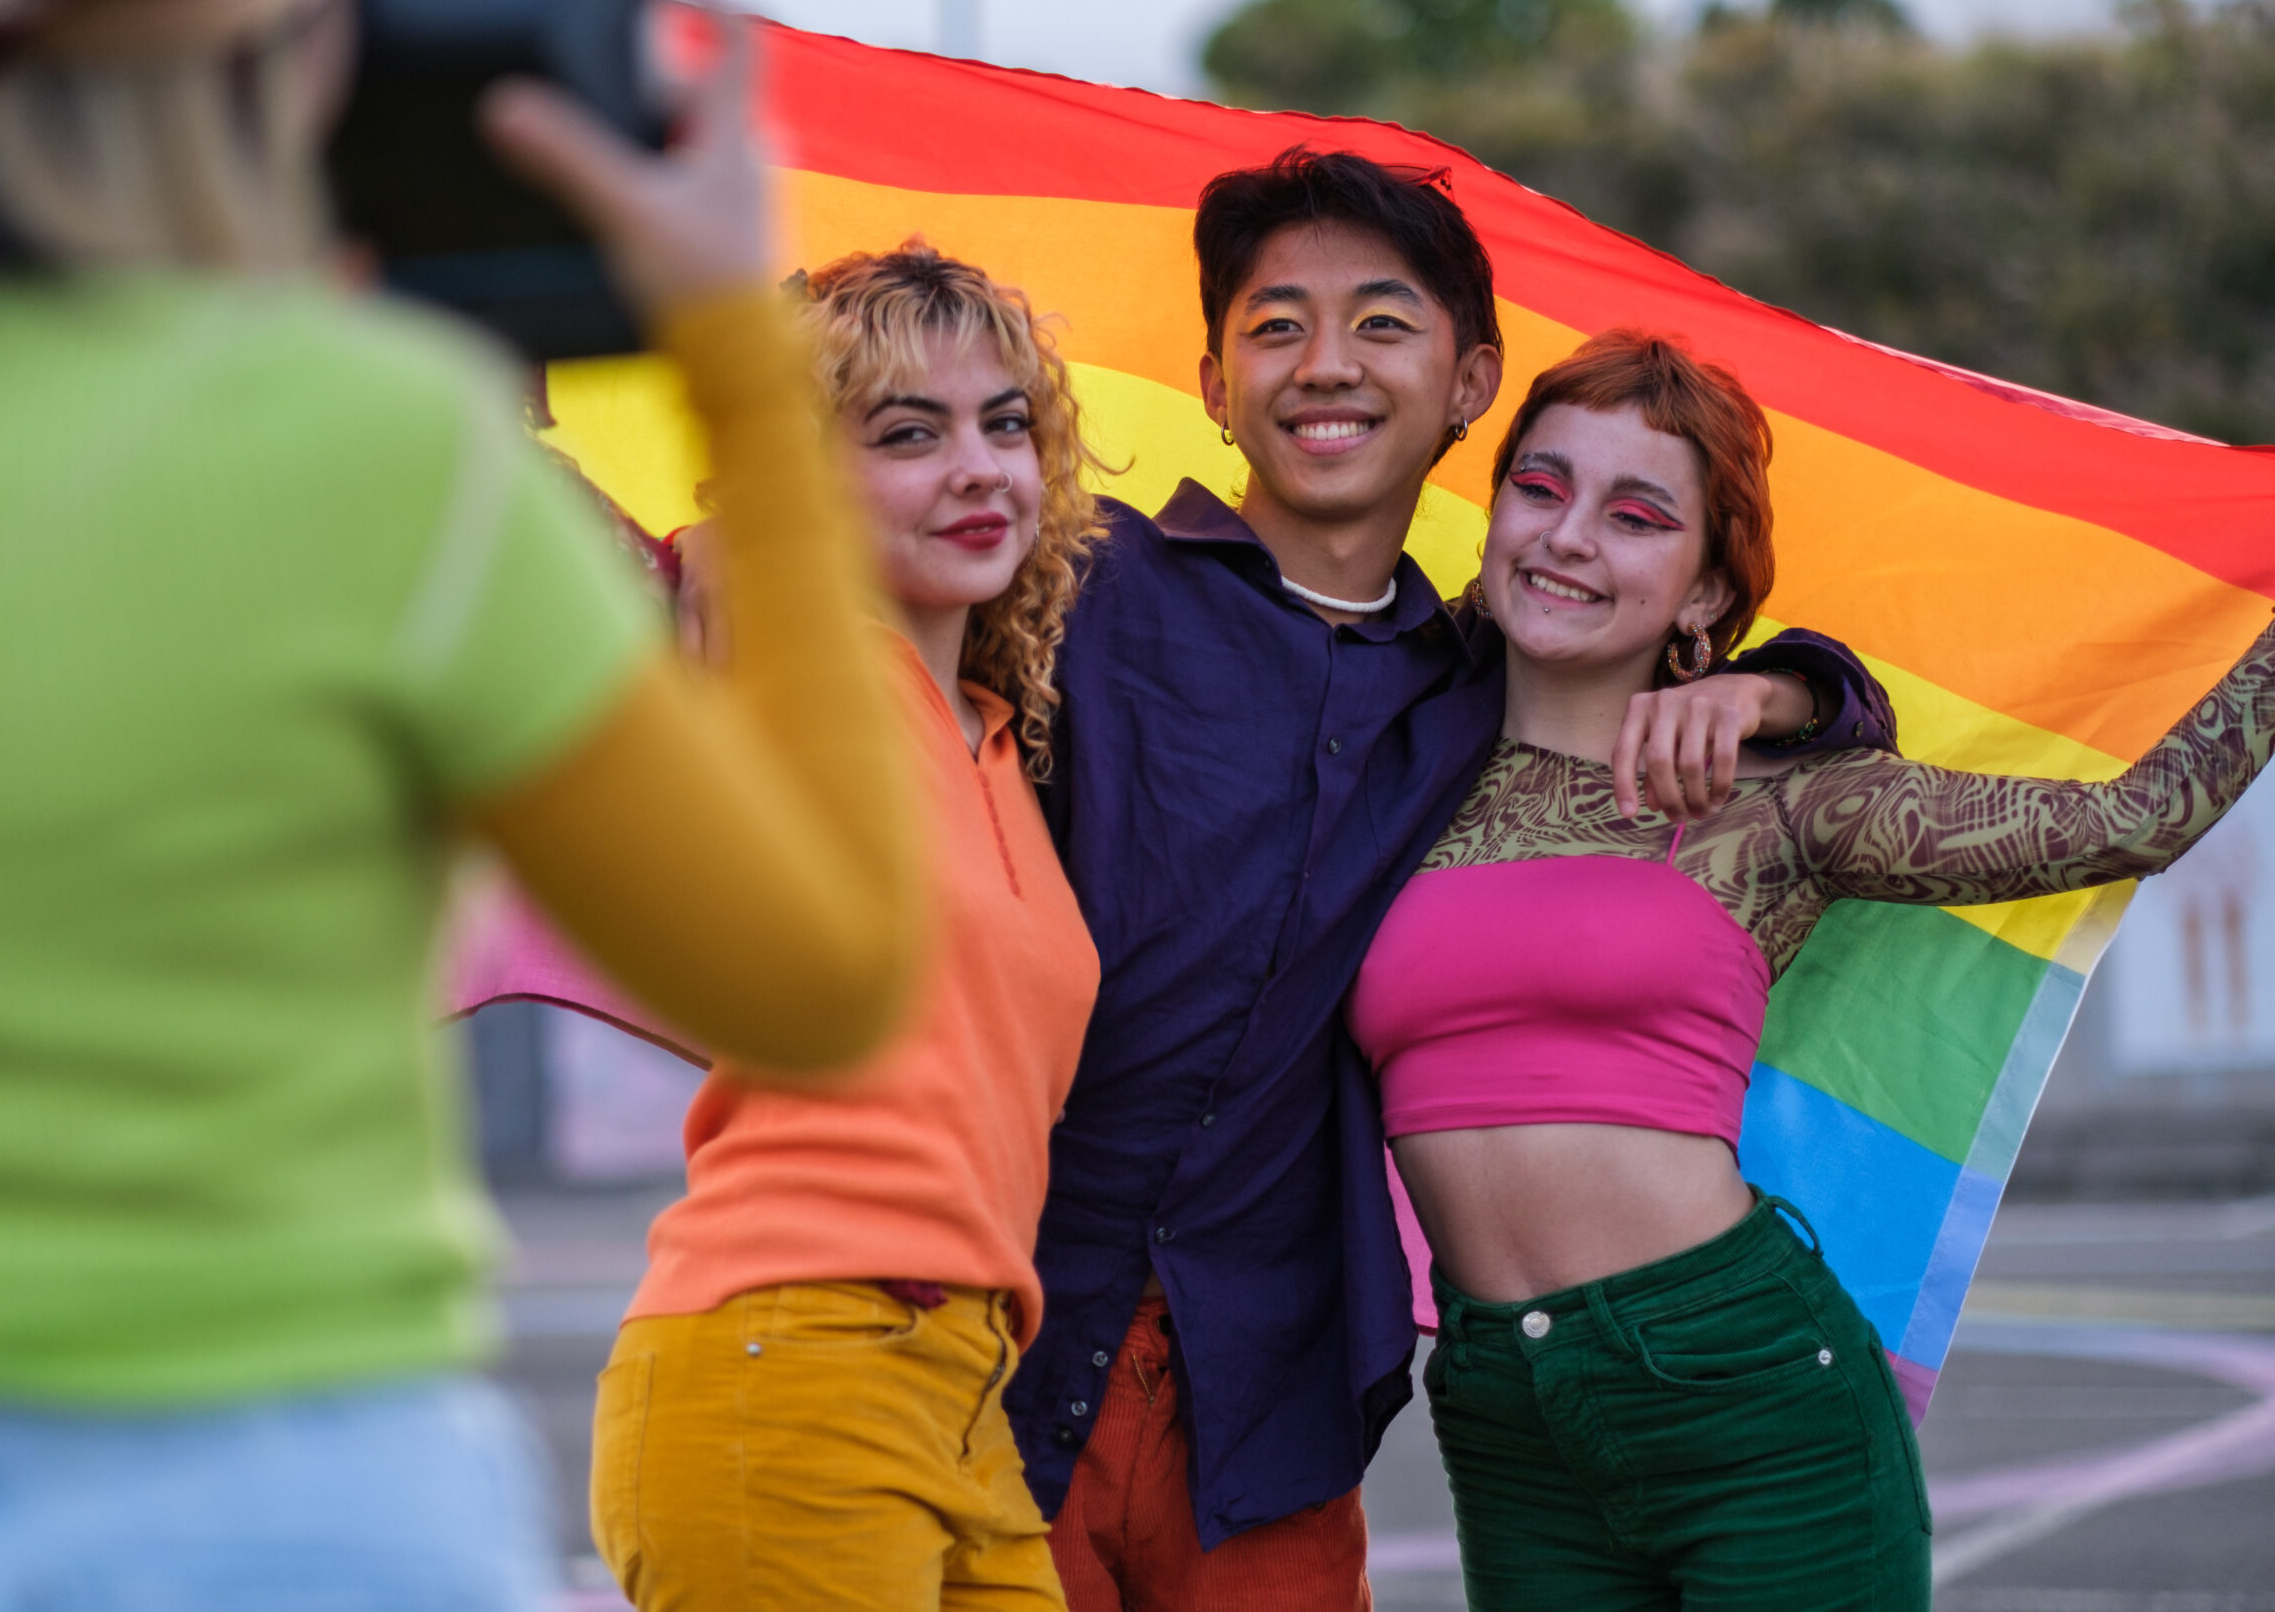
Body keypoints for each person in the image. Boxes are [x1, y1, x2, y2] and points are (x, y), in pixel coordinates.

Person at [0, 0, 926, 1604]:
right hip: (274, 1510)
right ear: (295, 52)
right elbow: (828, 979)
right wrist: (736, 361)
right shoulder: (374, 447)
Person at [1009, 147, 1901, 1611]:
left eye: (1381, 321)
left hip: (1263, 1402)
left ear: (1472, 379)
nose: (1326, 365)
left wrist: (1780, 688)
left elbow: (1787, 681)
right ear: (1215, 380)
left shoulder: (1478, 680)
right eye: (1275, 324)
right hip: (1012, 1335)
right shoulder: (1073, 585)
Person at [1347, 328, 2275, 1611]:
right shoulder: (1385, 750)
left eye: (1634, 516)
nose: (1567, 537)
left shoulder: (1778, 805)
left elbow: (2138, 818)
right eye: (1540, 486)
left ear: (1705, 596)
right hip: (1504, 1409)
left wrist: (1777, 697)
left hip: (1749, 1388)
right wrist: (1791, 682)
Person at [589, 243, 1107, 1612]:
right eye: (905, 433)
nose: (980, 468)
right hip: (789, 1348)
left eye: (1006, 424)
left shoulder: (1000, 738)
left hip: (963, 1383)